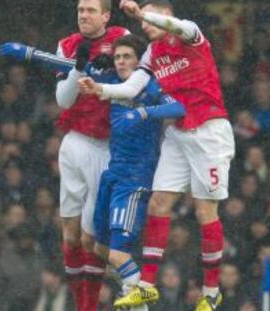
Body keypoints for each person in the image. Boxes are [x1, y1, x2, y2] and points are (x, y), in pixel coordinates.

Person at [80, 1, 235, 310]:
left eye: (151, 19)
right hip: (178, 133)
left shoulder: (191, 34)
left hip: (209, 129)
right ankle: (147, 285)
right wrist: (100, 89)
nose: (144, 25)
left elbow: (179, 27)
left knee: (205, 212)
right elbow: (133, 86)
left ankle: (211, 291)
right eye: (142, 21)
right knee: (159, 203)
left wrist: (143, 14)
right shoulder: (151, 53)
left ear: (166, 15)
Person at [0, 1, 129, 310]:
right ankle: (79, 303)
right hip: (73, 142)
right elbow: (64, 100)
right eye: (81, 10)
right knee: (69, 232)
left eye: (91, 11)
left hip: (106, 145)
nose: (84, 15)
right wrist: (79, 68)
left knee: (92, 235)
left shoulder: (122, 39)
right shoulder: (67, 45)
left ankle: (89, 306)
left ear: (106, 16)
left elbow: (133, 81)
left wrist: (105, 76)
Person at [77, 34, 185, 310]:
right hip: (112, 174)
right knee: (95, 246)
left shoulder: (151, 86)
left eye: (127, 57)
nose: (122, 62)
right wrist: (30, 54)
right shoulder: (112, 82)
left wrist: (145, 113)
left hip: (136, 178)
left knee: (116, 253)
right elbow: (71, 68)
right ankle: (132, 288)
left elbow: (178, 107)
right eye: (118, 57)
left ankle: (141, 302)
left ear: (140, 62)